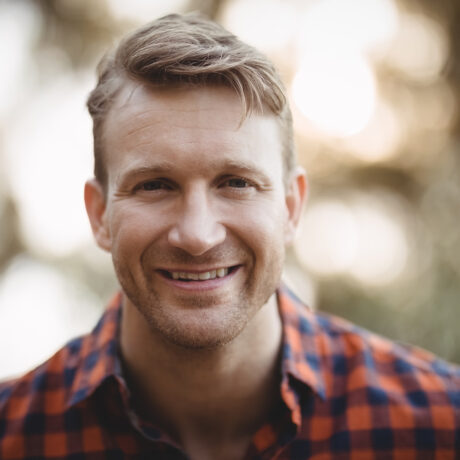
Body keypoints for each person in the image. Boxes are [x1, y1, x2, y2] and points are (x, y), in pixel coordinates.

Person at [0, 13, 459, 460]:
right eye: (155, 185)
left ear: (290, 207)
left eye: (236, 183)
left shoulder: (439, 424)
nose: (197, 236)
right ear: (99, 214)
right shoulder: (13, 435)